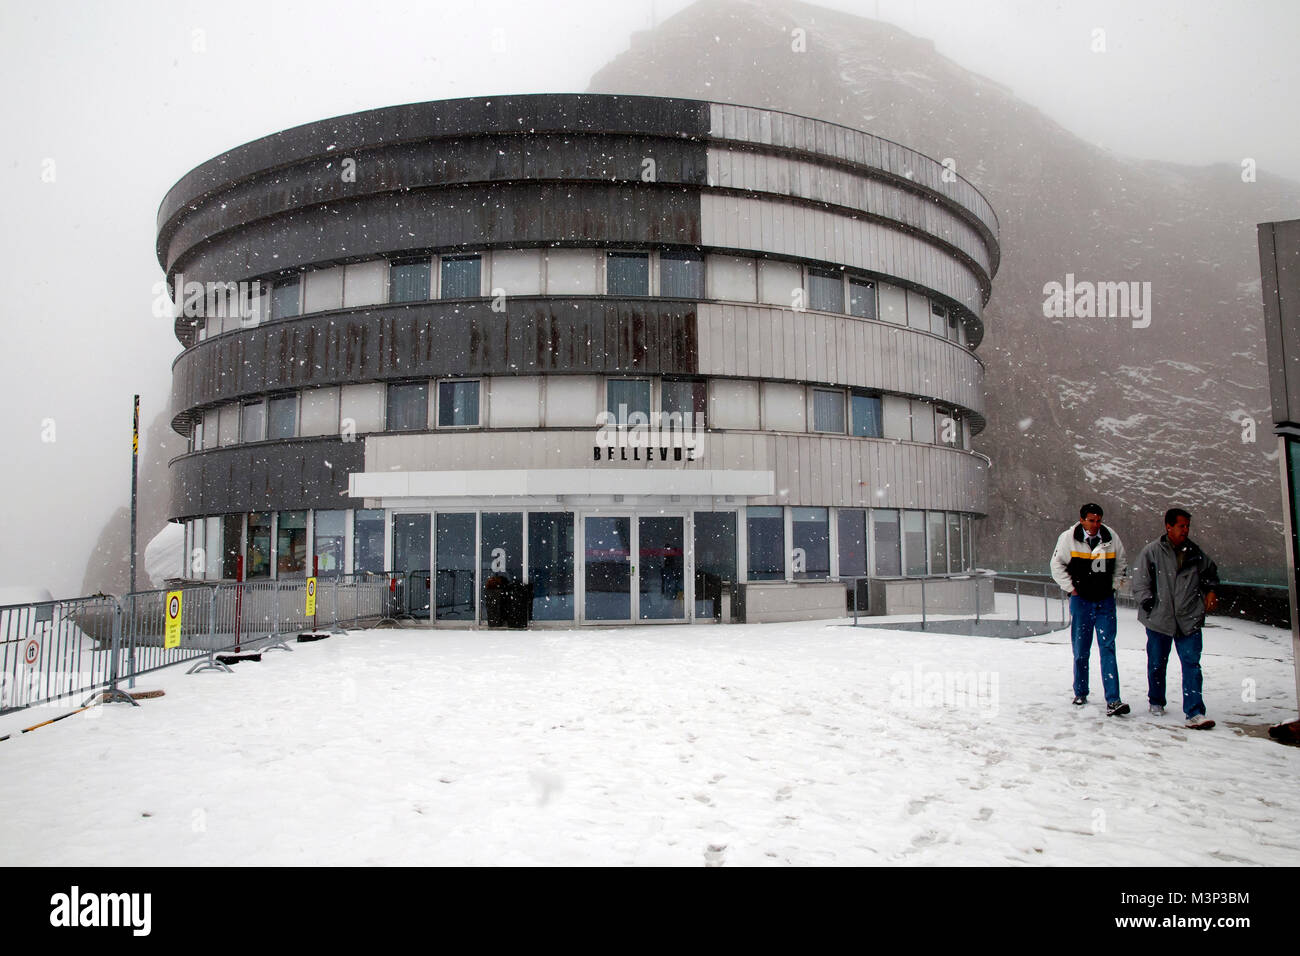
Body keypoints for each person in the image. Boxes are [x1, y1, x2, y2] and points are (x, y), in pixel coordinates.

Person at [1131, 508, 1219, 730]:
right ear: (1168, 526)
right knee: (1157, 663)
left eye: (1188, 526)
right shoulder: (1151, 552)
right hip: (1159, 619)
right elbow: (1140, 582)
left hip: (1189, 618)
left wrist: (1210, 591)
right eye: (1182, 526)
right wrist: (1149, 604)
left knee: (1191, 664)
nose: (1186, 530)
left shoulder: (1196, 553)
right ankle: (1156, 701)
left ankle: (1195, 712)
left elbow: (1210, 573)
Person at [1050, 502, 1130, 715]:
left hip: (1104, 601)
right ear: (1082, 519)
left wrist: (1113, 586)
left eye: (1098, 521)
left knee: (1108, 647)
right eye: (1091, 520)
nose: (1095, 525)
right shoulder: (1068, 538)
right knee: (1081, 649)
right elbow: (1056, 565)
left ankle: (1113, 699)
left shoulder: (1110, 537)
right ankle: (1081, 691)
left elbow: (1121, 562)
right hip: (1081, 601)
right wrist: (1071, 589)